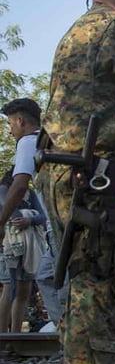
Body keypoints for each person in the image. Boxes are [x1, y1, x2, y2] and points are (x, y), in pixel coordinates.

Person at [36, 0, 115, 364]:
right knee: (100, 282)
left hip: (73, 169)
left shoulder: (80, 30)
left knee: (86, 282)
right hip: (94, 172)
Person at [0, 99, 47, 333]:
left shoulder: (28, 142)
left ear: (20, 121)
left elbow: (19, 186)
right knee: (44, 278)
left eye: (10, 124)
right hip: (52, 227)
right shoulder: (47, 140)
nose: (10, 130)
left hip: (45, 233)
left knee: (47, 279)